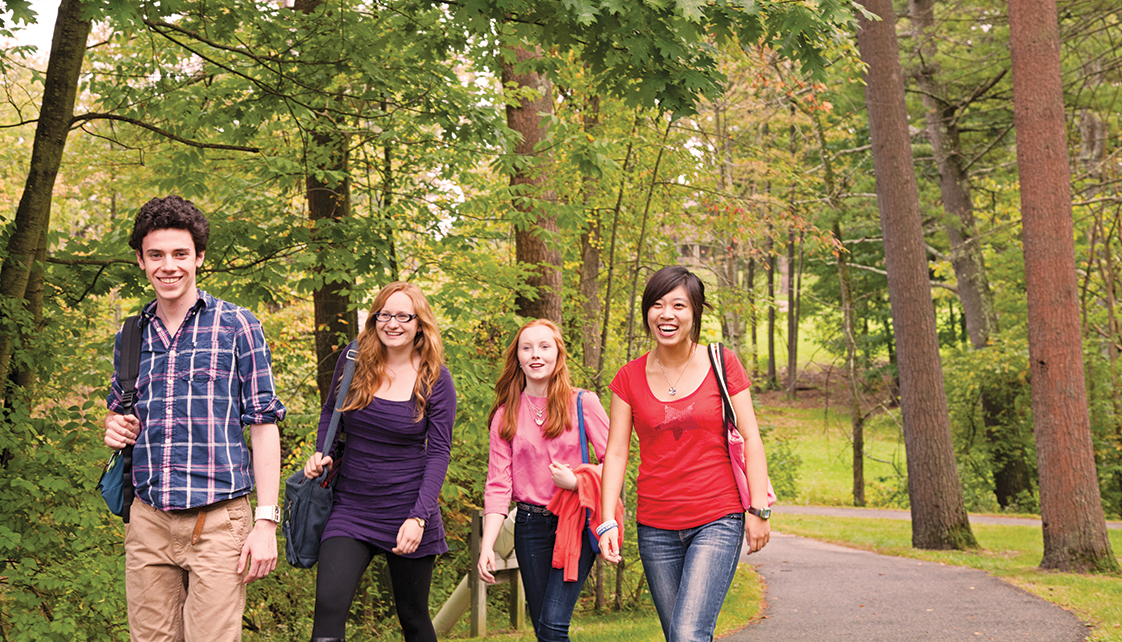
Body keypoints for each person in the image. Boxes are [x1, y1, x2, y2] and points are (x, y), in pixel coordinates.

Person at [103, 195, 286, 641]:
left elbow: (263, 426)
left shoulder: (237, 325)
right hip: (147, 520)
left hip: (220, 522)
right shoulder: (131, 334)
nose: (169, 266)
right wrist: (114, 427)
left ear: (199, 257)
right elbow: (119, 412)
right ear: (141, 261)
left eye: (180, 254)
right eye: (156, 255)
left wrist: (266, 522)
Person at [598, 266, 771, 642]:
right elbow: (615, 454)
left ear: (694, 313)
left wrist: (759, 508)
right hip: (655, 526)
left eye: (678, 305)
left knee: (689, 633)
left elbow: (751, 437)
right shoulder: (627, 378)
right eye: (657, 305)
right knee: (679, 635)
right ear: (647, 313)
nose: (667, 314)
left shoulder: (722, 364)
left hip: (717, 518)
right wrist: (606, 519)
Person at [303, 282, 455, 642]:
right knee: (328, 607)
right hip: (351, 508)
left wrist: (419, 517)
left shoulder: (435, 379)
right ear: (374, 319)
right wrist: (322, 453)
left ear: (420, 323)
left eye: (403, 316)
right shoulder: (353, 360)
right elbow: (331, 412)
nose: (393, 323)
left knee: (413, 616)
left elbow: (439, 452)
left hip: (408, 510)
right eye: (384, 314)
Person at [477, 319, 612, 642]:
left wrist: (578, 483)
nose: (535, 355)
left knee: (552, 625)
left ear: (557, 354)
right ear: (518, 357)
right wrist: (487, 547)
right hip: (529, 527)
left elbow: (615, 465)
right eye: (527, 348)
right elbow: (498, 486)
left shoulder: (583, 403)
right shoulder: (505, 414)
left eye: (544, 346)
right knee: (543, 629)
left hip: (575, 522)